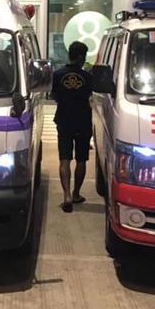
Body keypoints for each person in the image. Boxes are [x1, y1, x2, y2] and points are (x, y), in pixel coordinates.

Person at [51, 41, 93, 213]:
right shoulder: (88, 77)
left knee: (64, 158)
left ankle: (66, 195)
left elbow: (53, 95)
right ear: (81, 57)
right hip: (82, 121)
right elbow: (91, 94)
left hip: (64, 120)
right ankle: (76, 193)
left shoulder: (57, 74)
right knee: (81, 159)